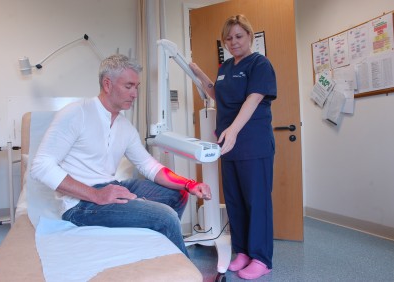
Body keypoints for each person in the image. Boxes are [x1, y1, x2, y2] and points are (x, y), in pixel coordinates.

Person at [31, 54, 212, 257]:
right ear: (107, 84)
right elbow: (41, 165)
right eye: (129, 86)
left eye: (137, 87)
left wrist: (189, 184)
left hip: (111, 185)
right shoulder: (76, 113)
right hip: (80, 204)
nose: (135, 93)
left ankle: (155, 250)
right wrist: (96, 195)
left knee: (178, 194)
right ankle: (182, 272)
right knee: (166, 217)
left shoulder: (124, 126)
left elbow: (148, 166)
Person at [189, 14, 277, 279]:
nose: (233, 42)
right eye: (228, 38)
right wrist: (197, 72)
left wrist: (234, 130)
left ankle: (262, 258)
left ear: (249, 36)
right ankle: (243, 252)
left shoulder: (260, 64)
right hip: (228, 145)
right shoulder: (225, 67)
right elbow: (217, 93)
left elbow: (253, 99)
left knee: (256, 201)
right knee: (236, 201)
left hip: (253, 143)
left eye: (238, 36)